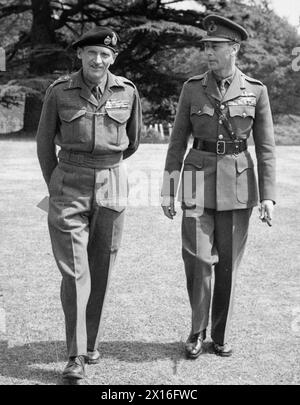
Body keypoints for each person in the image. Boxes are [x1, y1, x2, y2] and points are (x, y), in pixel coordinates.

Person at [161, 14, 276, 358]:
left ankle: (220, 334)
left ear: (234, 49)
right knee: (197, 259)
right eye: (206, 47)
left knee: (227, 264)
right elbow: (177, 142)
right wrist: (169, 189)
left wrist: (268, 196)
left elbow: (267, 148)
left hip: (238, 184)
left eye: (215, 47)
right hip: (196, 179)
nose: (208, 52)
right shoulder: (192, 88)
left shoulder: (256, 90)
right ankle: (197, 331)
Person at [36, 26, 142, 382]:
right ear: (79, 55)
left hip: (112, 181)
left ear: (113, 58)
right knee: (75, 271)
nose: (98, 60)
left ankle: (91, 343)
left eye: (105, 54)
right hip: (69, 181)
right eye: (92, 53)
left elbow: (133, 142)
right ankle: (75, 354)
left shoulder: (127, 91)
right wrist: (57, 183)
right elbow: (43, 143)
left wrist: (106, 166)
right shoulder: (59, 91)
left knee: (101, 268)